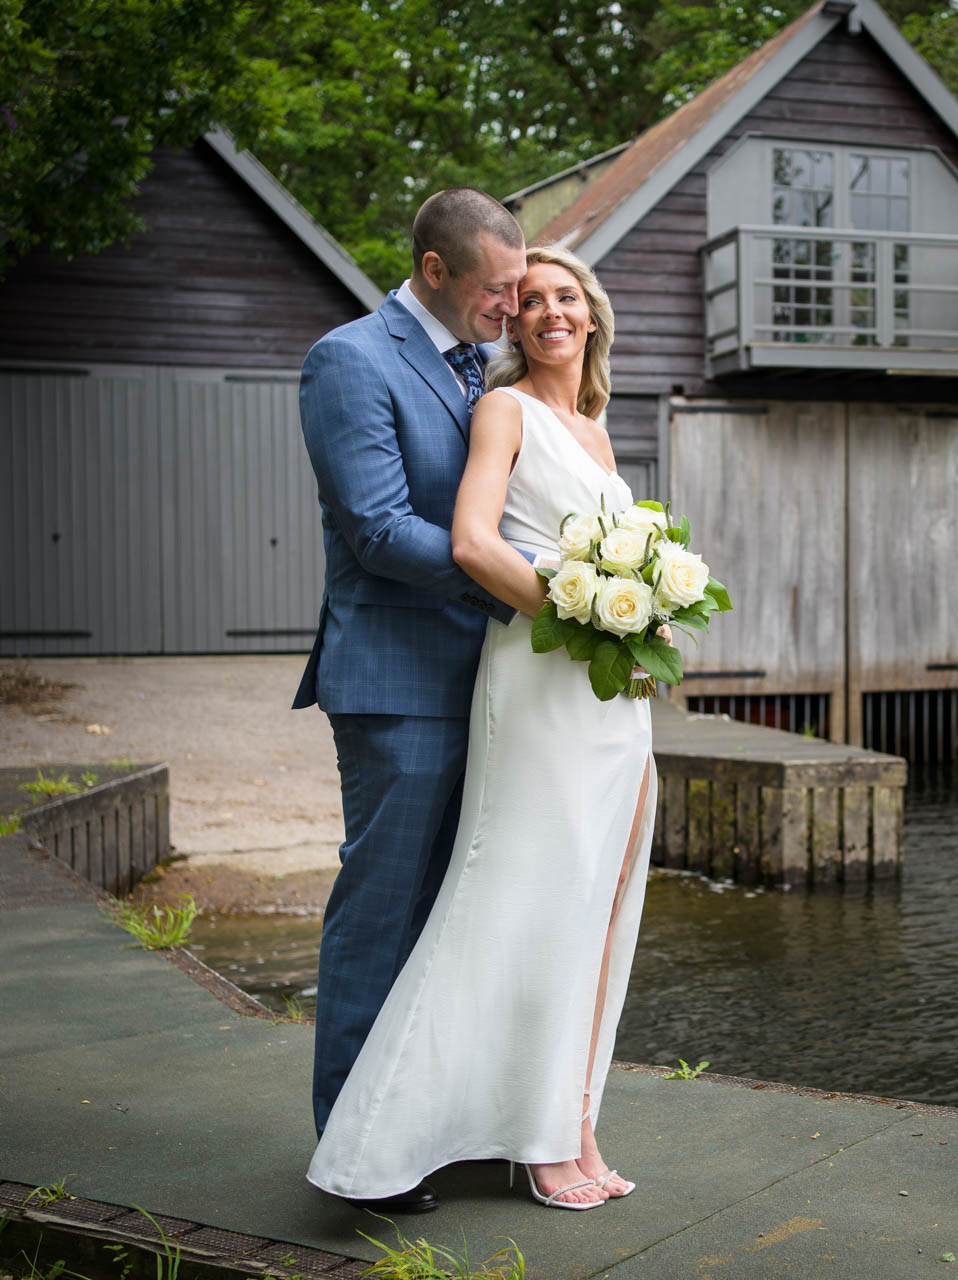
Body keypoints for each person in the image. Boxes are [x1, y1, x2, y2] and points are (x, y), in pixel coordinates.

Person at [306, 245, 655, 1212]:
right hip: (542, 672)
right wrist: (582, 607)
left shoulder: (597, 428)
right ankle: (432, 1141)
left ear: (593, 314)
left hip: (607, 694)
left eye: (562, 296)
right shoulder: (498, 406)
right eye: (526, 297)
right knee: (516, 900)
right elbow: (470, 540)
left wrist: (648, 614)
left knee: (592, 910)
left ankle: (569, 1124)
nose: (543, 310)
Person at [293, 188, 527, 1215]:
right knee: (382, 915)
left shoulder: (490, 367)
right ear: (435, 272)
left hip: (486, 682)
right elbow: (381, 528)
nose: (512, 307)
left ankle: (428, 1127)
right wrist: (528, 582)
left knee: (454, 917)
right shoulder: (349, 359)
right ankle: (355, 1149)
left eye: (520, 289)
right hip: (395, 683)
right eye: (495, 289)